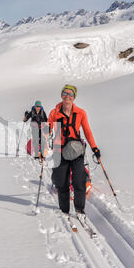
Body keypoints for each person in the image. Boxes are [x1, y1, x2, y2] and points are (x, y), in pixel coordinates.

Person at [48, 85, 101, 219]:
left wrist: (94, 148)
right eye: (65, 93)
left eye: (71, 94)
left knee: (79, 180)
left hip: (76, 150)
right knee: (62, 182)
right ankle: (64, 210)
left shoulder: (81, 113)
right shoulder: (54, 113)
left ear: (74, 97)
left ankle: (79, 209)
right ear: (61, 95)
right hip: (59, 150)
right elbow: (47, 129)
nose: (67, 96)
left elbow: (87, 132)